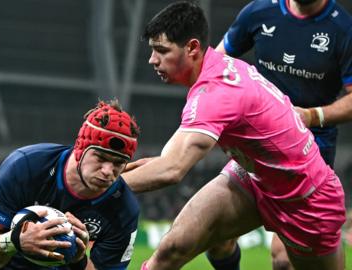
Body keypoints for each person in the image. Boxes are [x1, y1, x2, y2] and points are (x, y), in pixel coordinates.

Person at [122, 1, 346, 270]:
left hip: (306, 197)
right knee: (173, 249)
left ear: (192, 48)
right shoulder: (217, 63)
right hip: (253, 176)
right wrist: (134, 171)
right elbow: (171, 158)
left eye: (161, 51)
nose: (152, 60)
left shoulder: (215, 94)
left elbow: (171, 170)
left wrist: (95, 190)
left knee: (284, 263)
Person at [211, 0, 352, 268]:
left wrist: (312, 115)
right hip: (257, 148)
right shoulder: (259, 11)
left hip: (310, 154)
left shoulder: (343, 29)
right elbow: (216, 67)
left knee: (284, 260)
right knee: (216, 237)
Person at [0, 99, 141, 270]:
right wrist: (16, 241)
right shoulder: (27, 165)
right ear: (80, 149)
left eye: (118, 163)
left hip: (58, 260)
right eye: (100, 157)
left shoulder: (124, 211)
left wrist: (79, 260)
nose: (108, 171)